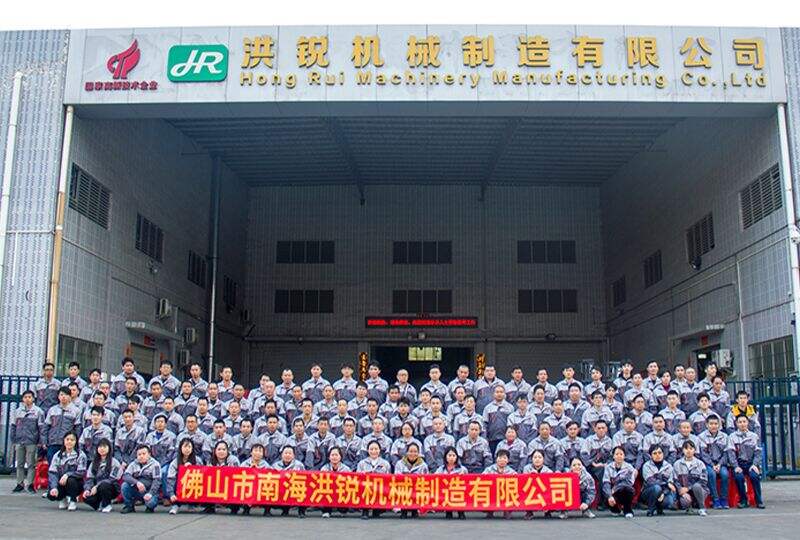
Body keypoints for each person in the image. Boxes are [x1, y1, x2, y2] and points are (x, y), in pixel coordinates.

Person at [728, 414, 766, 509]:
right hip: (739, 463)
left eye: (744, 422)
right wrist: (735, 466)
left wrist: (754, 465)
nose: (742, 424)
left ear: (748, 423)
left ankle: (759, 500)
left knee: (754, 476)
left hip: (751, 463)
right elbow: (731, 453)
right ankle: (743, 500)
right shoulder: (732, 437)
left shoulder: (754, 436)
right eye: (740, 422)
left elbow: (758, 452)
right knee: (739, 477)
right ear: (736, 424)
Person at [10, 389, 43, 493]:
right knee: (19, 463)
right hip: (19, 440)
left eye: (29, 397)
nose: (27, 399)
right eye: (25, 397)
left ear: (33, 399)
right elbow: (13, 426)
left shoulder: (38, 411)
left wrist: (39, 441)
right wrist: (13, 438)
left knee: (31, 464)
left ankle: (30, 484)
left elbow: (41, 428)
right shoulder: (17, 411)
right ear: (22, 399)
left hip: (31, 441)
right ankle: (19, 483)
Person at [47, 432, 86, 511]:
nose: (69, 442)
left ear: (76, 442)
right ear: (64, 441)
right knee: (51, 495)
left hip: (75, 483)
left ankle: (72, 500)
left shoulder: (80, 455)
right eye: (67, 439)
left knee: (71, 480)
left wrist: (67, 475)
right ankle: (62, 498)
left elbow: (81, 472)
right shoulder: (58, 455)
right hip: (61, 482)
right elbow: (52, 472)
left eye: (72, 440)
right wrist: (54, 487)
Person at [42, 387, 82, 464]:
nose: (63, 397)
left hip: (67, 444)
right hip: (52, 442)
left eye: (66, 395)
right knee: (52, 465)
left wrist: (75, 442)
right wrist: (44, 441)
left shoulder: (76, 411)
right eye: (61, 395)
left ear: (70, 397)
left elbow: (78, 428)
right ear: (58, 396)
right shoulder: (52, 410)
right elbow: (46, 426)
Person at [698, 414, 730, 509]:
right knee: (711, 474)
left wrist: (719, 464)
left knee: (725, 474)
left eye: (716, 424)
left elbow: (726, 453)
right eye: (711, 424)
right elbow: (703, 454)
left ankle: (723, 499)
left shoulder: (725, 437)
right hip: (708, 464)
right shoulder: (701, 437)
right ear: (707, 425)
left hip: (721, 463)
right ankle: (715, 499)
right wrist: (712, 465)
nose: (714, 426)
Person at [83, 438, 123, 512]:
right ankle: (100, 504)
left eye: (104, 447)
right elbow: (90, 478)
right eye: (100, 447)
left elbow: (112, 479)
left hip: (110, 488)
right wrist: (87, 489)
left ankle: (107, 504)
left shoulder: (114, 462)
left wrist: (97, 486)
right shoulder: (94, 463)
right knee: (86, 497)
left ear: (109, 448)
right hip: (96, 489)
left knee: (104, 485)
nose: (102, 449)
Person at [121, 445, 163, 513]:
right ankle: (129, 506)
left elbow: (157, 481)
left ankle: (149, 508)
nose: (141, 456)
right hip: (137, 489)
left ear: (149, 454)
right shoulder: (133, 464)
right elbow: (126, 475)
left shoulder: (155, 464)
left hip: (149, 491)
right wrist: (136, 482)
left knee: (151, 503)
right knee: (125, 486)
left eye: (144, 454)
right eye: (139, 454)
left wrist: (150, 493)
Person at [673, 440, 709, 516]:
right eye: (686, 448)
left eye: (691, 448)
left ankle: (702, 508)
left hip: (700, 490)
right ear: (682, 450)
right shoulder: (677, 464)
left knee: (696, 486)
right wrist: (681, 490)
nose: (688, 451)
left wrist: (688, 488)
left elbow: (703, 481)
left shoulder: (700, 464)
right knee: (684, 502)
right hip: (684, 491)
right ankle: (689, 507)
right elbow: (675, 480)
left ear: (694, 450)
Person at [357, 440, 391, 519]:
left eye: (376, 449)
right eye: (371, 449)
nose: (373, 451)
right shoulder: (362, 463)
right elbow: (358, 477)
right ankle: (365, 510)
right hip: (366, 487)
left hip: (380, 488)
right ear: (368, 450)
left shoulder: (385, 463)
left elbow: (388, 478)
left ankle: (377, 509)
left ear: (379, 450)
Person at [166, 438, 202, 515]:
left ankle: (191, 504)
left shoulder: (198, 460)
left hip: (193, 485)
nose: (187, 449)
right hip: (180, 484)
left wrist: (192, 468)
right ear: (180, 448)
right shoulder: (175, 462)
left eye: (189, 447)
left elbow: (203, 475)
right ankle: (175, 505)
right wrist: (171, 493)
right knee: (175, 482)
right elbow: (170, 478)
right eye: (185, 447)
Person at [204, 441, 241, 514]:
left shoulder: (233, 460)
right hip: (215, 485)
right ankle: (209, 506)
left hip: (230, 485)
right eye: (219, 449)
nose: (221, 451)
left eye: (224, 449)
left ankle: (234, 507)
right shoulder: (211, 461)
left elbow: (238, 474)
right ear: (215, 451)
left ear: (227, 451)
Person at [394, 442, 429, 518]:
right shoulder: (399, 464)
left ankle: (415, 510)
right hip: (403, 488)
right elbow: (397, 478)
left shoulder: (423, 465)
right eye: (410, 451)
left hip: (417, 488)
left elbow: (425, 479)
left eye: (415, 451)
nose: (413, 454)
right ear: (406, 452)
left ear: (419, 453)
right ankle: (404, 510)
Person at [641, 445, 677, 516]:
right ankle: (650, 510)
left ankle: (659, 508)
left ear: (663, 454)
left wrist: (663, 492)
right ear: (650, 455)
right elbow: (650, 481)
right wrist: (665, 485)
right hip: (648, 492)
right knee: (656, 488)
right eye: (655, 453)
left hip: (664, 492)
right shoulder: (646, 466)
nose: (657, 455)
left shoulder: (668, 466)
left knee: (669, 501)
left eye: (660, 453)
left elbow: (671, 483)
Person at [271, 446, 307, 517]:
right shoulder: (275, 465)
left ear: (293, 455)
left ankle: (301, 511)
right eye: (286, 453)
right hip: (281, 488)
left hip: (295, 488)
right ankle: (284, 510)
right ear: (282, 455)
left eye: (290, 453)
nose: (287, 455)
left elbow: (305, 479)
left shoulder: (299, 465)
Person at [602, 446, 637, 518]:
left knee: (628, 490)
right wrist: (609, 496)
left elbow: (629, 483)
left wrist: (615, 488)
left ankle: (627, 510)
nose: (619, 456)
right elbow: (606, 483)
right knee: (605, 492)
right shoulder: (608, 467)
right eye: (617, 454)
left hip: (624, 491)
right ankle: (615, 509)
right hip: (613, 493)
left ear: (624, 456)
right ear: (613, 456)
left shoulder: (629, 467)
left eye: (621, 454)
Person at [435, 446, 467, 520]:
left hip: (458, 492)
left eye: (453, 455)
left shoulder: (462, 469)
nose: (451, 458)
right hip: (445, 492)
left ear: (456, 457)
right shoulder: (441, 469)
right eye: (449, 455)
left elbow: (467, 482)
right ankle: (448, 511)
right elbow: (435, 479)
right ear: (445, 457)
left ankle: (461, 512)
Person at [319, 446, 351, 518]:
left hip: (341, 491)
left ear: (340, 457)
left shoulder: (346, 469)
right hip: (328, 491)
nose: (334, 457)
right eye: (332, 455)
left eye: (336, 455)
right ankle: (326, 510)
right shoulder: (324, 468)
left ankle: (342, 510)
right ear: (329, 457)